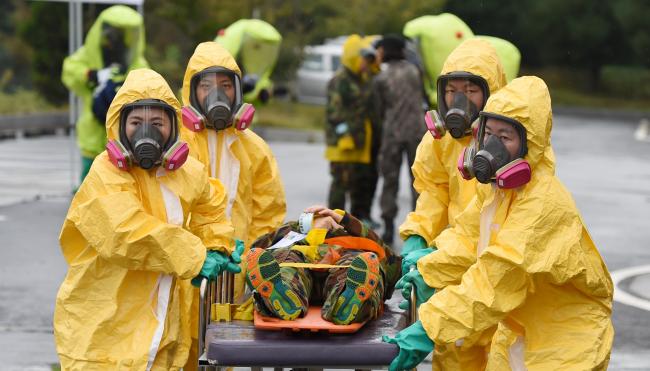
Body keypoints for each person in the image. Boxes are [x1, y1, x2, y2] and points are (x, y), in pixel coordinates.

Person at [385, 76, 614, 371]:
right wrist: (429, 270)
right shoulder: (497, 190)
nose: (491, 147)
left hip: (566, 341)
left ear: (529, 146)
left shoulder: (543, 204)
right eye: (488, 134)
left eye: (505, 138)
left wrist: (429, 329)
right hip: (520, 326)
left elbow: (494, 282)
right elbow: (469, 239)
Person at [54, 68, 239, 370]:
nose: (146, 132)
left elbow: (210, 209)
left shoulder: (186, 172)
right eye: (136, 122)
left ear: (173, 126)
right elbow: (125, 233)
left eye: (157, 123)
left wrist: (218, 245)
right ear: (120, 125)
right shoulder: (105, 174)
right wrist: (194, 256)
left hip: (163, 321)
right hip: (104, 323)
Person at [395, 39, 507, 370]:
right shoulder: (439, 141)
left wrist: (436, 260)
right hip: (455, 263)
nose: (459, 100)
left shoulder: (508, 146)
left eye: (471, 89)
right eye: (452, 89)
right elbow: (432, 192)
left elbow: (491, 219)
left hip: (494, 266)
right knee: (455, 349)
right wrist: (419, 235)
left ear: (492, 92)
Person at [179, 41, 287, 370]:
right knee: (180, 348)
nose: (217, 95)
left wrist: (255, 259)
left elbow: (267, 213)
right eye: (206, 86)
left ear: (238, 91)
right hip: (186, 272)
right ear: (191, 91)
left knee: (223, 350)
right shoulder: (176, 145)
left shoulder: (253, 148)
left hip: (234, 271)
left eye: (226, 86)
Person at [245, 206, 400, 325]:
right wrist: (298, 227)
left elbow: (392, 265)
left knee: (356, 265)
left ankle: (347, 301)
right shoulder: (292, 238)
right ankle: (282, 294)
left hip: (344, 264)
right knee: (286, 263)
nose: (324, 219)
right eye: (316, 217)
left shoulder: (353, 237)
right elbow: (256, 251)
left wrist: (347, 222)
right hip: (299, 266)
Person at [61, 5, 149, 184]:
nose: (114, 37)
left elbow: (147, 87)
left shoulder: (136, 61)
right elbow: (69, 71)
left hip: (126, 138)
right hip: (93, 134)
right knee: (89, 188)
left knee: (122, 189)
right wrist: (91, 75)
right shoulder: (88, 54)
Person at [371, 34, 427, 243]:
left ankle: (388, 225)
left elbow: (378, 110)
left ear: (385, 51)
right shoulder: (415, 71)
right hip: (417, 133)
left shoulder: (381, 79)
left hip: (392, 133)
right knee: (419, 181)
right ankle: (419, 226)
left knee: (390, 181)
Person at [325, 35, 376, 224]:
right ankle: (330, 222)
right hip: (342, 143)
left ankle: (351, 224)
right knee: (340, 185)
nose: (366, 65)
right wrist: (344, 135)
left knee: (357, 185)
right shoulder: (340, 80)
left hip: (358, 142)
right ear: (354, 57)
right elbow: (335, 113)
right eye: (364, 60)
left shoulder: (361, 79)